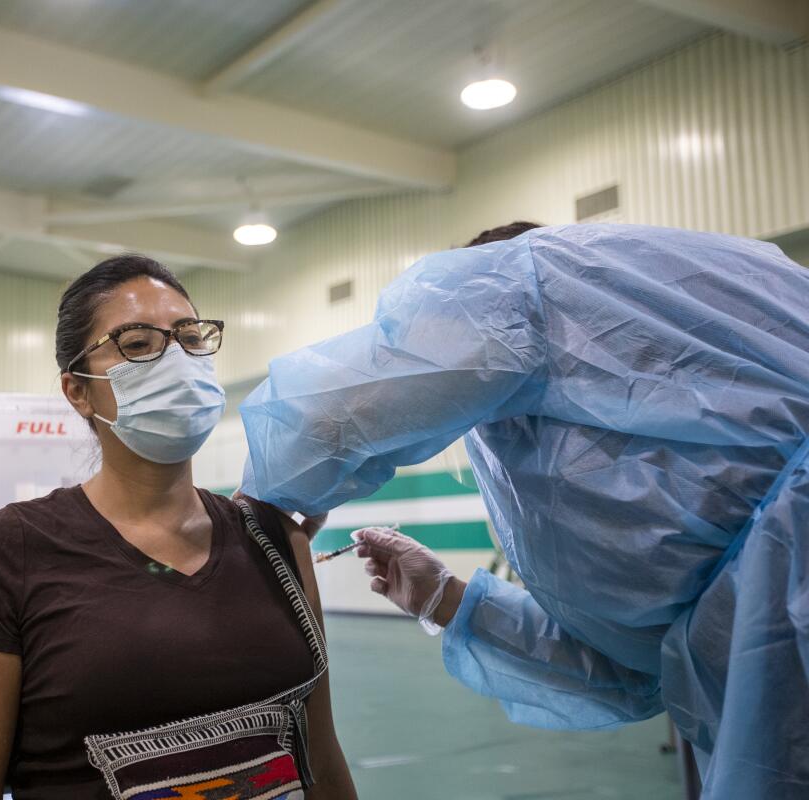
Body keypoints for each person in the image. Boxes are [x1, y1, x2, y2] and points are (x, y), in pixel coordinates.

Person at [239, 222, 809, 799]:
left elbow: (334, 417)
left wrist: (252, 507)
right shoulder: (694, 325)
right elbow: (638, 673)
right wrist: (448, 598)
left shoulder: (527, 278)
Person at [0, 255, 357, 799]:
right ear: (77, 390)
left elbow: (320, 756)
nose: (175, 358)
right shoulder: (11, 549)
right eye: (136, 343)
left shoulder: (273, 537)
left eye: (190, 337)